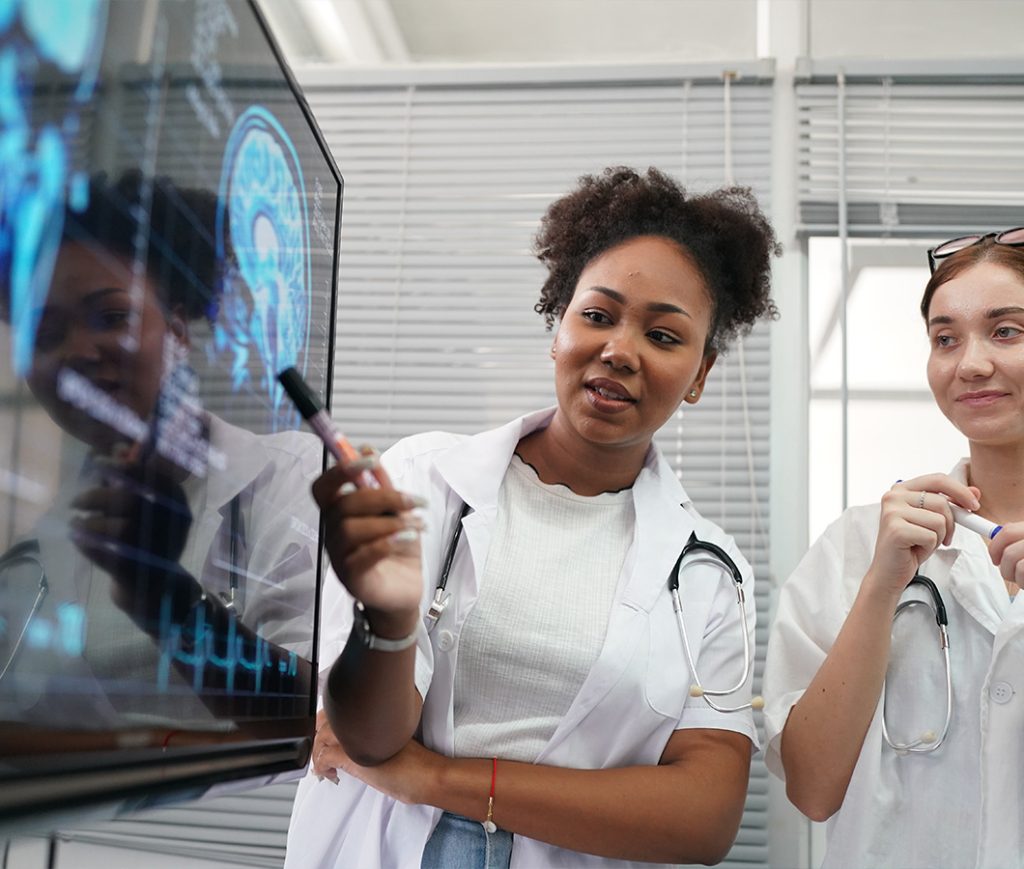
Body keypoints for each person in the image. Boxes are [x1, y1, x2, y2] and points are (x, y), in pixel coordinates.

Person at [286, 166, 779, 869]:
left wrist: (437, 778)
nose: (619, 349)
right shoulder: (424, 479)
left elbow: (703, 817)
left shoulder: (708, 567)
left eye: (664, 336)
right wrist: (389, 622)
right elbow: (362, 739)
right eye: (598, 315)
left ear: (700, 374)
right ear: (558, 327)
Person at [0, 170, 321, 728]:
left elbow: (316, 717)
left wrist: (161, 596)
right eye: (47, 334)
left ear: (177, 331)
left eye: (112, 317)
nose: (79, 350)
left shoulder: (291, 478)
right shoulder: (38, 533)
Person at [763, 228, 1024, 868]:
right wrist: (881, 587)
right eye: (945, 338)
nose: (970, 364)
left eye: (1007, 331)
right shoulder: (858, 545)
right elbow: (813, 789)